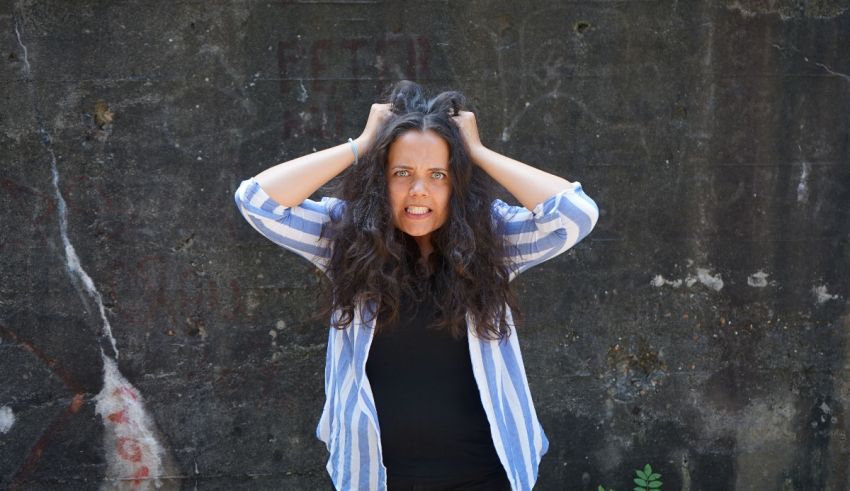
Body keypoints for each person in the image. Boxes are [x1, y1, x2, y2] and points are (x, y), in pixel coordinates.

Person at [233, 80, 599, 491]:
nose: (418, 190)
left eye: (438, 174)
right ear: (380, 178)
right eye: (402, 172)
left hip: (488, 476)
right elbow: (257, 201)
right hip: (376, 478)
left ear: (458, 182)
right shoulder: (346, 239)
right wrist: (364, 143)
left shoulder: (492, 240)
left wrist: (476, 152)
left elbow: (575, 214)